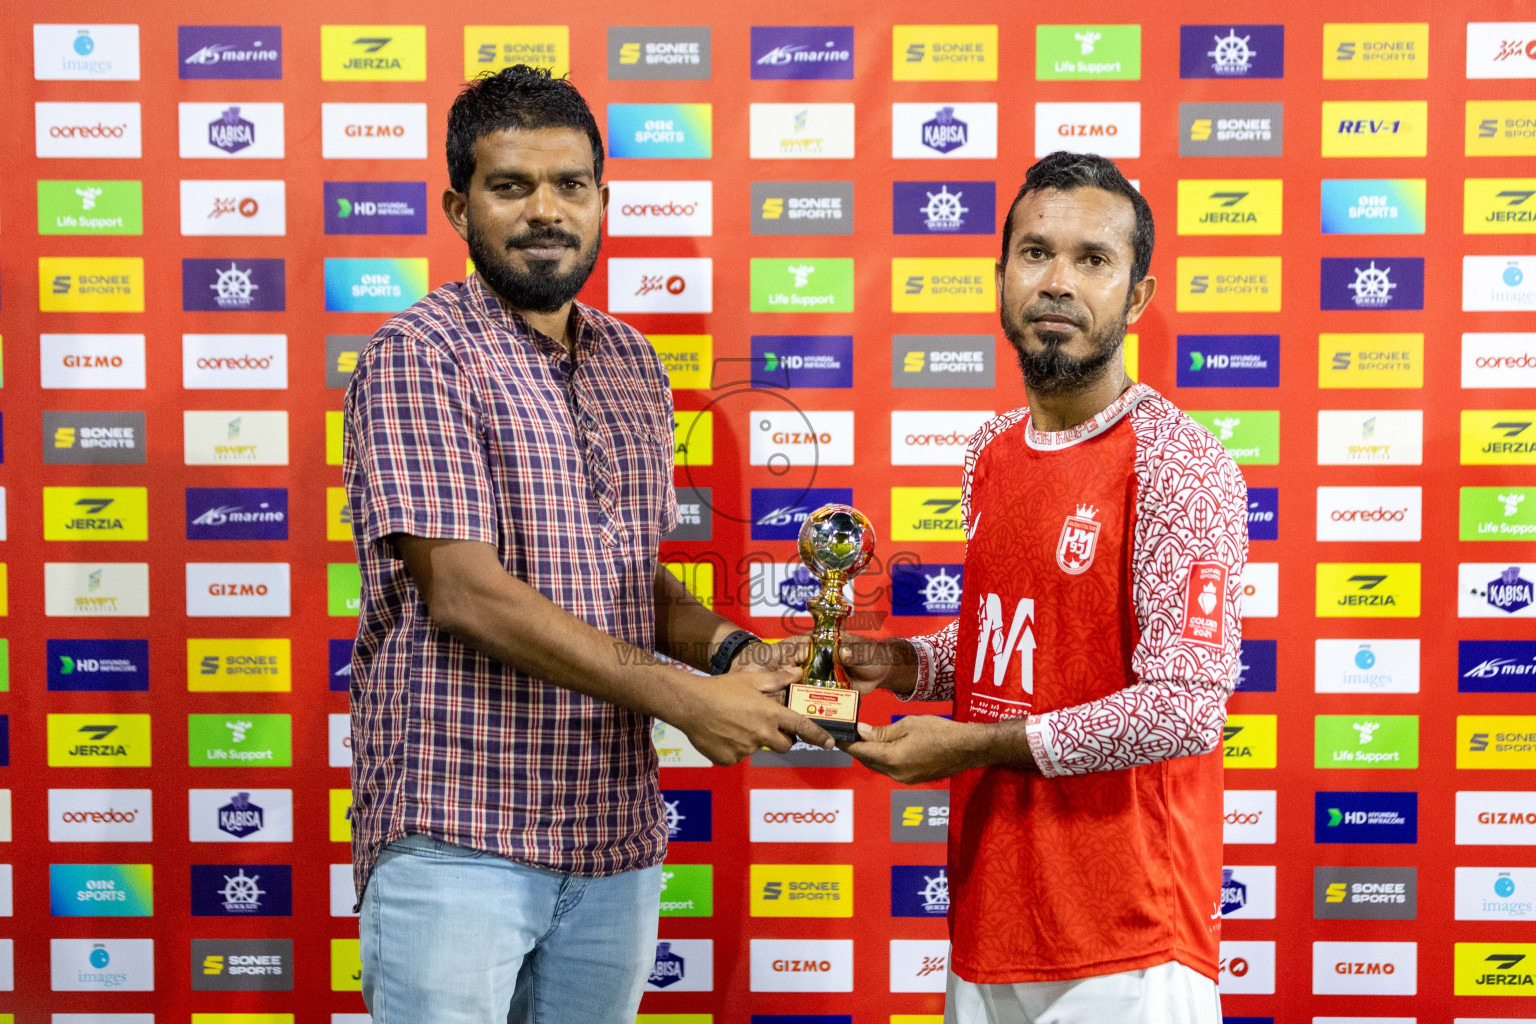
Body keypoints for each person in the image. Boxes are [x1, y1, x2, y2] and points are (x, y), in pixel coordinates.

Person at [342, 65, 833, 1024]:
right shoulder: (421, 353)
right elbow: (467, 593)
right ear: (457, 205)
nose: (546, 212)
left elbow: (624, 577)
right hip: (460, 834)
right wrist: (688, 698)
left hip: (612, 837)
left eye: (570, 185)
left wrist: (735, 654)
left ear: (603, 198)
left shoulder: (633, 363)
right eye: (511, 185)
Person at [833, 152, 1248, 1023]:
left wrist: (969, 748)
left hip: (1128, 940)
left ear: (1136, 297)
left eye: (1092, 260)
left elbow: (1187, 709)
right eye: (1035, 253)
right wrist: (896, 663)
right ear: (1000, 278)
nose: (1058, 281)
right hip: (991, 914)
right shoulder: (990, 449)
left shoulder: (1180, 461)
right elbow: (1010, 648)